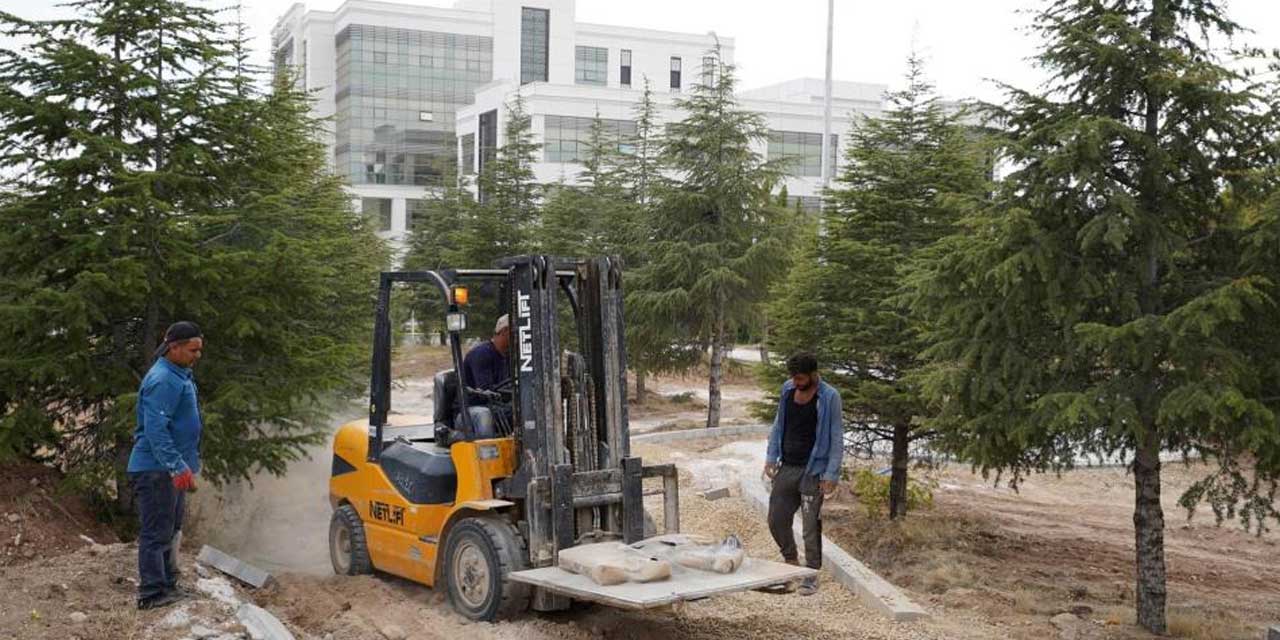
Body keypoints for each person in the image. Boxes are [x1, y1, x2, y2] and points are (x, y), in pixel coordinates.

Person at [127, 321, 204, 610]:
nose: (197, 355)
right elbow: (156, 431)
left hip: (170, 467)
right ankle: (151, 593)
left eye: (199, 349)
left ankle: (168, 584)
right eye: (193, 349)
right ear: (174, 347)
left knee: (171, 528)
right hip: (156, 468)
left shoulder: (179, 374)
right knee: (156, 531)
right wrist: (177, 467)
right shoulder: (163, 380)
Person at [763, 352, 843, 596]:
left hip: (813, 471)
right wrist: (770, 456)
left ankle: (810, 574)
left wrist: (831, 473)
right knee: (776, 519)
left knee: (810, 527)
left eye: (801, 378)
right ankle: (790, 561)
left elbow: (836, 435)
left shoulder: (829, 397)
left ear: (813, 374)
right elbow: (778, 425)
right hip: (787, 466)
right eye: (794, 378)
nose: (797, 382)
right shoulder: (787, 390)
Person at [461, 314, 511, 400]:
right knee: (484, 413)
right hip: (474, 404)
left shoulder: (507, 355)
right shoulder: (481, 354)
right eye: (516, 332)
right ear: (504, 331)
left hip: (496, 402)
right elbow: (485, 390)